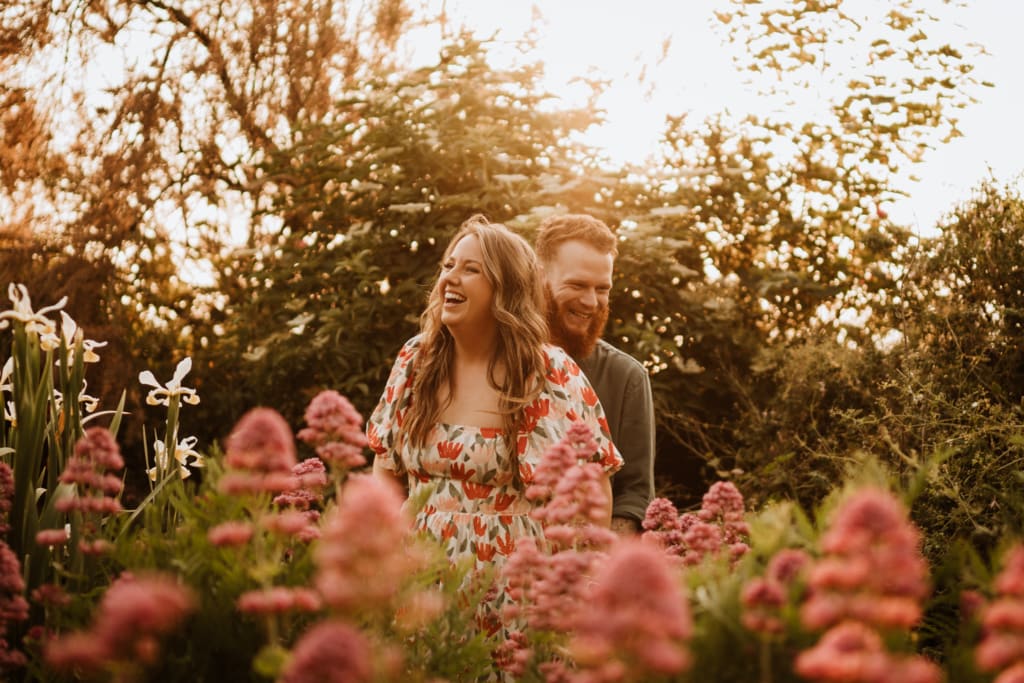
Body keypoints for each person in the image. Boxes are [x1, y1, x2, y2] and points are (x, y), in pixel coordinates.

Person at [367, 214, 622, 587]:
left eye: (471, 269)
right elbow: (385, 475)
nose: (450, 277)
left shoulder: (548, 371)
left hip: (516, 591)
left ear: (506, 290)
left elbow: (594, 491)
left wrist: (577, 585)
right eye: (448, 266)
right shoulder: (415, 361)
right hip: (420, 585)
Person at [535, 214, 655, 534]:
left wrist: (596, 569)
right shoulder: (490, 358)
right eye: (577, 285)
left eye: (602, 288)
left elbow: (635, 495)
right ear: (539, 276)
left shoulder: (626, 377)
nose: (591, 302)